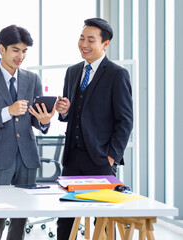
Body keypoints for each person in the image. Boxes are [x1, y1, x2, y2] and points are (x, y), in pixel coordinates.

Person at [0, 25, 55, 240]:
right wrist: (7, 111)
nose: (21, 56)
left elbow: (36, 120)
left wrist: (44, 122)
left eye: (25, 51)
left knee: (21, 217)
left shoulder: (32, 79)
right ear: (1, 48)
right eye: (16, 50)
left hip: (27, 156)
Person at [55, 18, 133, 240]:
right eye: (81, 38)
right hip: (71, 158)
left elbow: (125, 120)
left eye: (91, 39)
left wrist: (111, 157)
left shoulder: (117, 74)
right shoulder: (72, 71)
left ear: (105, 44)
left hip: (100, 159)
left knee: (104, 220)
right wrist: (64, 110)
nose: (84, 44)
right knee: (65, 218)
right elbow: (68, 114)